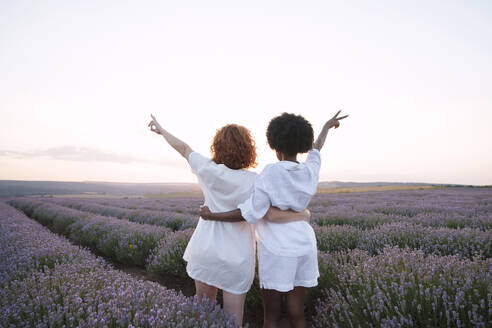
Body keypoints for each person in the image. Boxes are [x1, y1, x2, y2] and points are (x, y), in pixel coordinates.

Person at [148, 114, 310, 326]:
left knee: (203, 316)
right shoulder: (256, 181)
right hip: (237, 257)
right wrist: (303, 214)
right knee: (233, 320)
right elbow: (271, 214)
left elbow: (184, 148)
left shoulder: (208, 169)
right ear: (248, 149)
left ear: (217, 147)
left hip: (205, 250)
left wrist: (161, 130)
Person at [200, 111, 348, 328]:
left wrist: (211, 215)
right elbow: (316, 149)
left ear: (275, 146)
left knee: (271, 315)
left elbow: (250, 212)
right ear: (301, 144)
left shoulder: (270, 172)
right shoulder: (309, 171)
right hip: (305, 244)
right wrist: (325, 127)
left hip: (277, 248)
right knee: (297, 311)